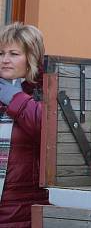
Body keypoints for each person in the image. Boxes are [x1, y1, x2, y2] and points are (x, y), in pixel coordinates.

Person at [0, 23, 48, 227]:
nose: (5, 60)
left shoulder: (45, 91)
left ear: (31, 58)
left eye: (13, 53)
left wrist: (15, 99)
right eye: (1, 53)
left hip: (21, 208)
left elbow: (45, 129)